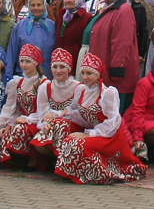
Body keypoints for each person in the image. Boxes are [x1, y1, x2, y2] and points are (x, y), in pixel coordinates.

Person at [52, 53, 147, 184]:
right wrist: (58, 115)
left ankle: (92, 173)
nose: (85, 77)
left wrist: (89, 134)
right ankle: (71, 171)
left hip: (109, 136)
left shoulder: (107, 93)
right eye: (83, 73)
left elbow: (112, 122)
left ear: (98, 75)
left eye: (89, 73)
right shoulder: (81, 90)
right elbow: (77, 113)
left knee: (78, 143)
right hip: (93, 132)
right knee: (65, 134)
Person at [84, 0, 140, 108]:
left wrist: (117, 69)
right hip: (105, 71)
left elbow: (122, 42)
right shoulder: (109, 8)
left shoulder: (123, 10)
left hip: (115, 77)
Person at [0, 43, 46, 165]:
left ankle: (33, 159)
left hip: (36, 122)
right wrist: (9, 124)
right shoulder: (18, 82)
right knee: (8, 132)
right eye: (22, 61)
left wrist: (28, 119)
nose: (24, 65)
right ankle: (18, 161)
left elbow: (43, 112)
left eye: (28, 61)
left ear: (36, 63)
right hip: (21, 121)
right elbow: (16, 110)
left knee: (19, 130)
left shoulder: (43, 83)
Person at [5, 0, 55, 79]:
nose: (36, 8)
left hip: (47, 77)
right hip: (24, 78)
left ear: (44, 6)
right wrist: (8, 77)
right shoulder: (19, 27)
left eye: (39, 5)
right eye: (33, 5)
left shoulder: (52, 26)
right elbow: (11, 54)